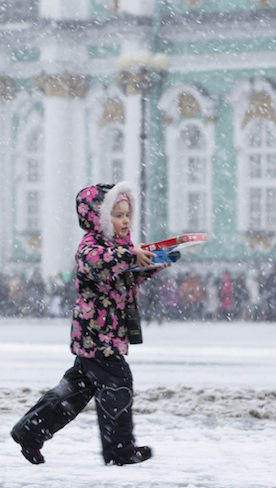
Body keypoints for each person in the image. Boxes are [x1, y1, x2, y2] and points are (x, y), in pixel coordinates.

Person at [10, 182, 175, 467]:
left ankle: (30, 430)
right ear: (99, 219)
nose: (126, 221)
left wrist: (152, 263)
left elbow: (125, 278)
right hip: (96, 335)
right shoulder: (92, 247)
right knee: (117, 382)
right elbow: (98, 263)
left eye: (127, 215)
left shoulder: (120, 249)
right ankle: (119, 449)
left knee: (75, 392)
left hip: (108, 334)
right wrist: (130, 256)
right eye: (118, 215)